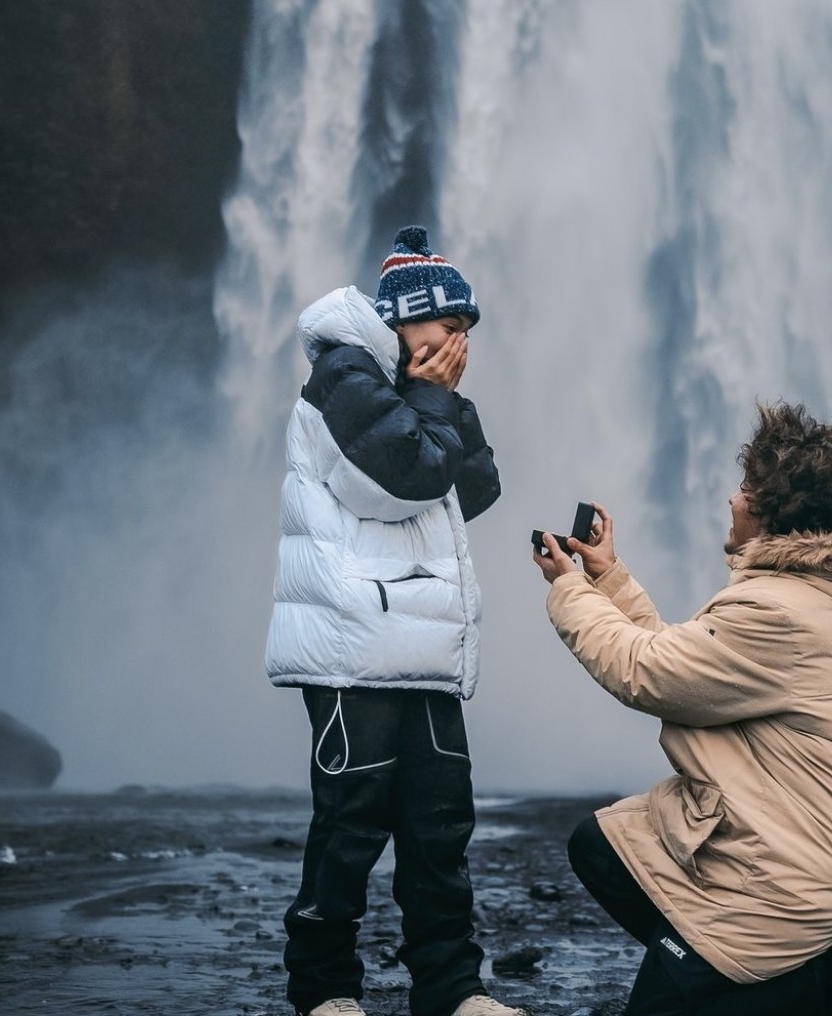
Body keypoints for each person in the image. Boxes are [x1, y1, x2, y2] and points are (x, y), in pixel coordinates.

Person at [532, 402, 832, 1016]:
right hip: (792, 847)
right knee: (602, 846)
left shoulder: (779, 613)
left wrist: (569, 588)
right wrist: (606, 579)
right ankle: (722, 971)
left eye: (747, 489)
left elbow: (645, 672)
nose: (733, 499)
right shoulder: (792, 601)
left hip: (794, 878)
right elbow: (685, 669)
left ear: (774, 511)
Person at [266, 226, 522, 1016]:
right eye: (448, 328)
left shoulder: (410, 392)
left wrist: (435, 397)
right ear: (405, 320)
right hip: (353, 651)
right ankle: (323, 991)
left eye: (466, 333)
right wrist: (431, 400)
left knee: (440, 826)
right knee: (349, 825)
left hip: (425, 645)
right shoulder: (343, 375)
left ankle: (451, 990)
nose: (458, 345)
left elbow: (472, 489)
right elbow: (407, 476)